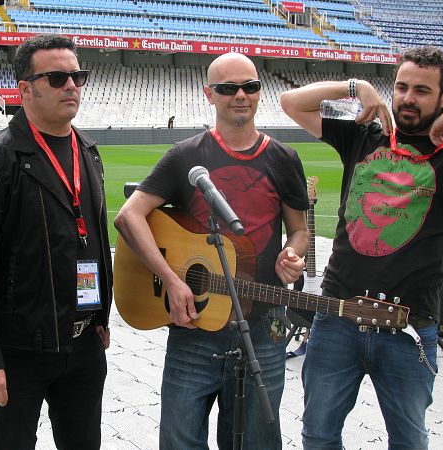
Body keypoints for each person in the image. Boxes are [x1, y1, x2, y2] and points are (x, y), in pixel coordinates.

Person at [279, 46, 443, 449]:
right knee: (318, 433)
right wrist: (356, 86)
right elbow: (290, 102)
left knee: (407, 440)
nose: (406, 97)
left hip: (408, 327)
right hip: (337, 317)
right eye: (401, 86)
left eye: (422, 90)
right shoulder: (365, 135)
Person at [115, 52, 310, 450]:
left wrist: (292, 255)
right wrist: (171, 279)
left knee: (258, 440)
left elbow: (299, 231)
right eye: (228, 88)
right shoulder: (186, 155)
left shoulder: (284, 158)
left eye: (250, 86)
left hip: (264, 321)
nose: (241, 95)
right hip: (197, 326)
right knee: (179, 439)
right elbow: (129, 217)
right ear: (209, 94)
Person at [0, 34, 113, 450]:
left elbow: (90, 241)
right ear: (25, 89)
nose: (72, 85)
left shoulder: (88, 151)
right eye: (57, 78)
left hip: (82, 347)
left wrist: (99, 317)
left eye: (78, 75)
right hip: (19, 350)